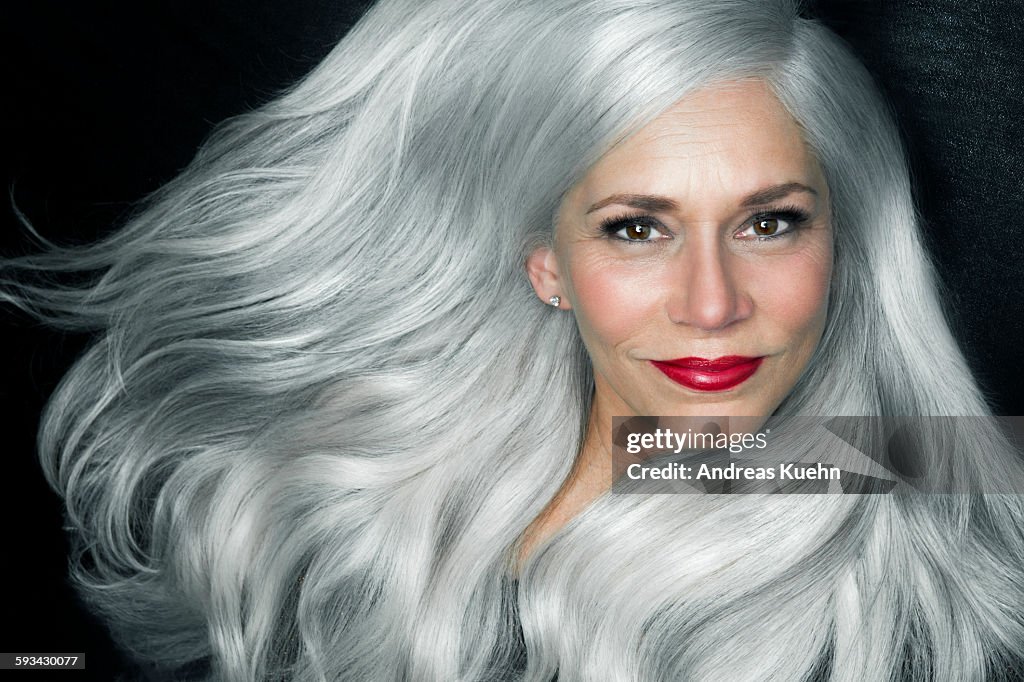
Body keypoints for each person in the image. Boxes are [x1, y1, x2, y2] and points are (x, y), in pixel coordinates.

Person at [3, 0, 1023, 679]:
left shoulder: (878, 476)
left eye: (771, 222)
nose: (712, 303)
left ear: (845, 243)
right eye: (637, 227)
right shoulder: (381, 505)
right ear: (546, 263)